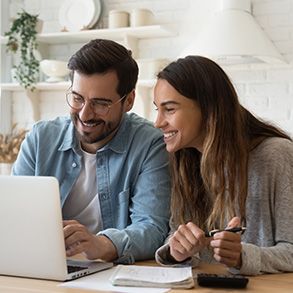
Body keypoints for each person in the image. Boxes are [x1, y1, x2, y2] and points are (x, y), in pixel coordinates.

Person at [12, 39, 171, 264]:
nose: (85, 115)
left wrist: (101, 244)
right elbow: (12, 216)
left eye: (100, 103)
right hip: (42, 266)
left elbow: (152, 228)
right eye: (77, 98)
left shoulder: (150, 145)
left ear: (129, 101)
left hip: (110, 272)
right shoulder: (40, 139)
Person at [153, 55, 293, 275]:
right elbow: (175, 235)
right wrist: (177, 251)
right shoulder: (186, 161)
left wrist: (242, 256)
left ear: (208, 109)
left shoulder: (276, 155)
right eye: (157, 109)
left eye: (169, 109)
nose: (158, 122)